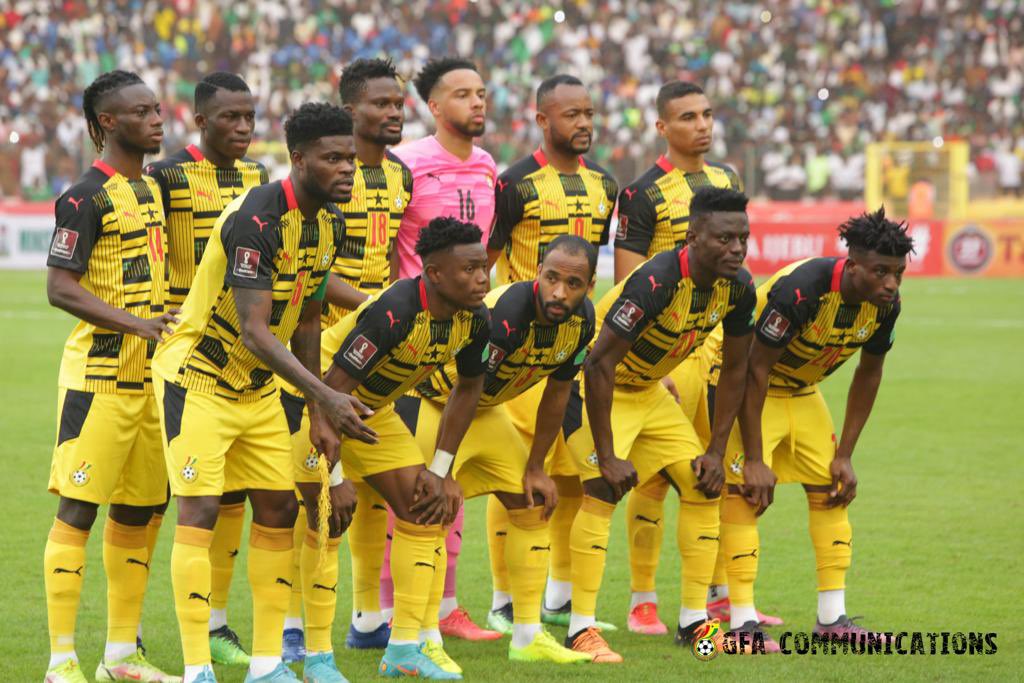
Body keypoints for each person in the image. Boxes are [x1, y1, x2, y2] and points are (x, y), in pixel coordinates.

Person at [152, 103, 373, 683]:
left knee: (279, 508)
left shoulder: (331, 223)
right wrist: (327, 396)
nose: (347, 169)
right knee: (201, 510)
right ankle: (197, 669)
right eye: (333, 158)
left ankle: (268, 664)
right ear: (298, 159)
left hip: (257, 389)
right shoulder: (256, 217)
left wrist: (317, 408)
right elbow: (254, 329)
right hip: (198, 378)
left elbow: (307, 318)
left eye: (350, 158)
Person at [563, 187, 757, 662]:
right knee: (601, 489)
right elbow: (598, 364)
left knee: (704, 484)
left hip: (647, 391)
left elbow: (735, 370)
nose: (736, 249)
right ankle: (580, 628)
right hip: (594, 386)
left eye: (743, 239)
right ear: (693, 237)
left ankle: (694, 622)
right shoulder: (658, 281)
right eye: (725, 239)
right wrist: (608, 455)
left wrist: (716, 450)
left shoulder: (739, 287)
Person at [711, 207, 912, 649]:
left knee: (833, 491)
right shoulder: (802, 289)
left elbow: (869, 374)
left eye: (898, 273)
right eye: (881, 272)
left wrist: (846, 455)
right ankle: (741, 623)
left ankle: (832, 620)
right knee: (746, 493)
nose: (891, 283)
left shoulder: (886, 307)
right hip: (745, 384)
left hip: (801, 390)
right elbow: (754, 369)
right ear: (852, 265)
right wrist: (756, 459)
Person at [42, 70, 180, 683]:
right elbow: (59, 287)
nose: (157, 119)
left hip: (150, 383)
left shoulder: (148, 189)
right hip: (98, 381)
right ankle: (61, 661)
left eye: (157, 109)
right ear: (108, 122)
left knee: (139, 513)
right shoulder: (84, 196)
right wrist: (137, 324)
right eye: (142, 112)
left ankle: (121, 657)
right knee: (78, 511)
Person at [401, 235, 597, 665]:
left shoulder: (583, 320)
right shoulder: (506, 313)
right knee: (430, 508)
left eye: (573, 284)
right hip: (436, 403)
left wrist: (536, 466)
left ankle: (527, 637)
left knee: (532, 503)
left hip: (485, 409)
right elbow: (463, 388)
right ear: (537, 273)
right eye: (551, 278)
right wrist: (442, 470)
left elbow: (557, 393)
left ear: (590, 286)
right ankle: (423, 638)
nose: (559, 292)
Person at [278, 57, 416, 661]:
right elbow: (311, 269)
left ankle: (366, 617)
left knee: (375, 492)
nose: (393, 113)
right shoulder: (326, 174)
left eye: (398, 103)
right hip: (320, 344)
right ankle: (291, 626)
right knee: (309, 493)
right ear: (349, 109)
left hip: (378, 348)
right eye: (381, 104)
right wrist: (373, 305)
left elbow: (391, 258)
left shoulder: (401, 177)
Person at [315, 217, 491, 679]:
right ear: (434, 274)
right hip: (313, 405)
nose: (482, 279)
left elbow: (469, 387)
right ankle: (310, 652)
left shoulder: (475, 318)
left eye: (484, 267)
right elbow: (330, 392)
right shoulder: (394, 311)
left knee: (423, 508)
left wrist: (440, 470)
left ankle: (403, 650)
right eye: (469, 269)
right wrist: (335, 479)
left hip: (372, 411)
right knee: (320, 521)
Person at [484, 73, 618, 631]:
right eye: (571, 114)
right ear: (543, 120)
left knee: (571, 475)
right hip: (517, 349)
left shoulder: (606, 185)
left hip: (569, 348)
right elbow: (488, 257)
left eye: (588, 113)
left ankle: (558, 600)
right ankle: (503, 602)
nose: (583, 123)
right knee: (515, 477)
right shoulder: (515, 183)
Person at [613, 81, 747, 635]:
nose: (703, 125)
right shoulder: (642, 192)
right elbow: (628, 279)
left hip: (713, 346)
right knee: (654, 476)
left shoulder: (728, 180)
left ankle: (717, 596)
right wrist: (651, 364)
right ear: (662, 127)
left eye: (707, 114)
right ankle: (643, 599)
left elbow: (736, 259)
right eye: (688, 116)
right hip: (666, 351)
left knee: (716, 471)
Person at [145, 71, 268, 667]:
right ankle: (127, 635)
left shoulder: (258, 178)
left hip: (240, 354)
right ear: (200, 121)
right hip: (178, 352)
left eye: (249, 117)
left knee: (232, 494)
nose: (243, 128)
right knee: (155, 497)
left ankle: (217, 624)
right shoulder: (165, 176)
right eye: (230, 118)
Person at [384, 57, 500, 641]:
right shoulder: (406, 164)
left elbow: (485, 253)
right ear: (433, 106)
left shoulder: (487, 166)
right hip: (408, 340)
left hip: (461, 337)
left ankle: (444, 607)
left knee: (443, 473)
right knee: (402, 483)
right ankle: (384, 613)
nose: (477, 102)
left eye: (481, 93)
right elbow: (388, 249)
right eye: (462, 94)